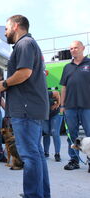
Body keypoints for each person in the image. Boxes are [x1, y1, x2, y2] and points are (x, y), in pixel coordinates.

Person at [0, 15, 50, 198]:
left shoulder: (24, 44)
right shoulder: (28, 44)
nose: (5, 32)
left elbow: (25, 73)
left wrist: (3, 84)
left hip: (26, 109)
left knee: (29, 155)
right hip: (31, 108)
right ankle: (40, 193)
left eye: (6, 28)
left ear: (16, 26)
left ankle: (33, 195)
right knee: (36, 154)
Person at [60, 40, 90, 170]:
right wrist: (62, 106)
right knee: (71, 135)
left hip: (87, 107)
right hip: (70, 107)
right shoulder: (67, 67)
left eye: (76, 48)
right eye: (71, 48)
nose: (73, 50)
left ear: (83, 48)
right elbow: (64, 88)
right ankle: (74, 160)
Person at [42, 91, 62, 162]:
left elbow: (57, 93)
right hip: (45, 115)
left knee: (55, 133)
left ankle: (57, 153)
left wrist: (58, 104)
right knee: (46, 132)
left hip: (55, 114)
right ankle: (46, 153)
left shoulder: (44, 92)